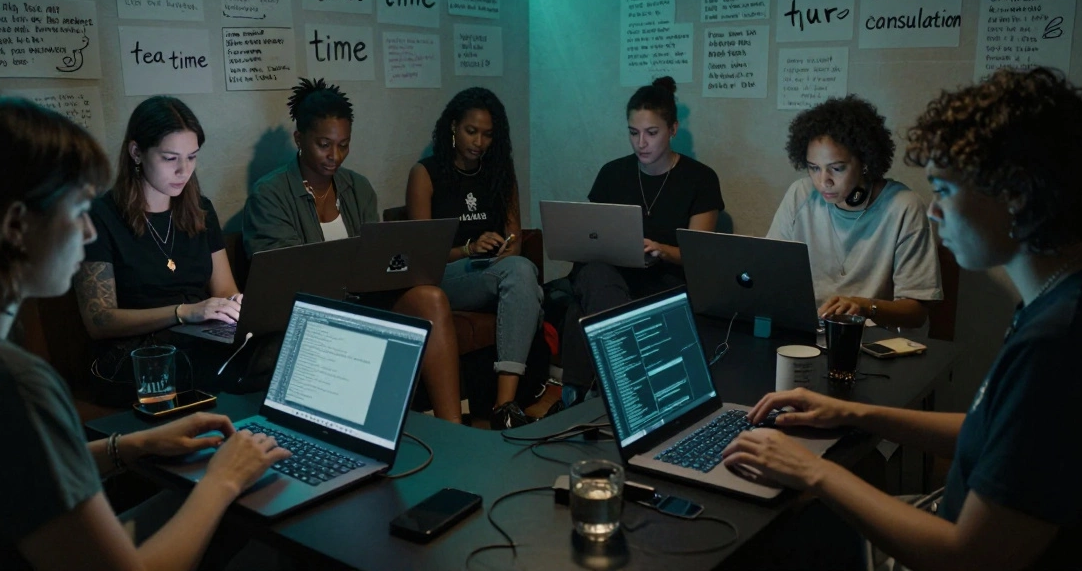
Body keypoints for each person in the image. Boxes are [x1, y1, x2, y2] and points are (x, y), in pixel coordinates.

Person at [723, 68, 1082, 570]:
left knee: (769, 536)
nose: (932, 213)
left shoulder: (1064, 343)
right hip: (951, 519)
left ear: (1015, 192)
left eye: (945, 191)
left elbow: (968, 557)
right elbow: (993, 429)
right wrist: (852, 414)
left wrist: (812, 472)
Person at [0, 95, 290, 570]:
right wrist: (225, 480)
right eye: (76, 210)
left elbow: (12, 467)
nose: (89, 233)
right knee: (238, 509)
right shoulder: (10, 383)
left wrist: (130, 445)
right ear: (15, 226)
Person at [242, 78, 464, 423]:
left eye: (344, 145)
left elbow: (374, 259)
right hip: (307, 313)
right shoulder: (270, 195)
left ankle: (454, 427)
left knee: (430, 298)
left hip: (360, 300)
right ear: (299, 139)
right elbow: (281, 277)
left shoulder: (357, 187)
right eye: (324, 145)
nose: (335, 156)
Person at [560, 76, 725, 404]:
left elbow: (699, 255)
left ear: (673, 129)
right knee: (594, 273)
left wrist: (660, 251)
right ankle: (620, 387)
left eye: (652, 133)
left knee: (582, 308)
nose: (641, 143)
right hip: (613, 275)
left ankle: (582, 396)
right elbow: (592, 237)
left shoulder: (700, 179)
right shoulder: (613, 173)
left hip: (665, 280)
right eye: (633, 133)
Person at [73, 96, 242, 405]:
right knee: (216, 371)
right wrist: (182, 313)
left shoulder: (201, 209)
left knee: (278, 351)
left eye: (192, 157)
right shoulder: (101, 216)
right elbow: (99, 320)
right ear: (137, 152)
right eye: (169, 158)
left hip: (197, 339)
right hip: (134, 354)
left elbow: (225, 288)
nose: (184, 170)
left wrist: (235, 305)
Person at [406, 87, 544, 429]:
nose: (479, 142)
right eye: (471, 131)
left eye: (487, 134)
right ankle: (507, 405)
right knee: (524, 279)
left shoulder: (500, 173)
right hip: (444, 276)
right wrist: (469, 249)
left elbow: (515, 240)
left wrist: (500, 250)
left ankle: (503, 404)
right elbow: (421, 257)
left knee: (521, 270)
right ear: (453, 127)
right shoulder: (426, 173)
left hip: (493, 270)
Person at [766, 95, 941, 328]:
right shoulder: (800, 194)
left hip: (872, 340)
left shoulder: (903, 206)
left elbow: (917, 312)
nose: (823, 181)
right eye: (814, 168)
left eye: (836, 168)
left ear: (865, 162)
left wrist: (864, 307)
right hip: (809, 332)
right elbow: (768, 272)